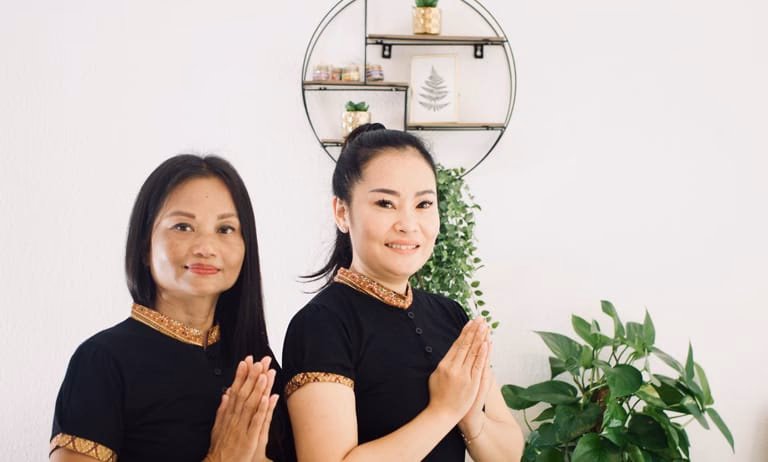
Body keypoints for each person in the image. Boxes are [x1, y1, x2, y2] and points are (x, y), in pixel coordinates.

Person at [282, 124, 524, 461]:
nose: (408, 224)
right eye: (386, 203)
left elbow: (508, 454)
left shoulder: (451, 315)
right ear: (342, 212)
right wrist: (444, 411)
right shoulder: (321, 325)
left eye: (424, 204)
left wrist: (469, 415)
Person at [50, 154, 295, 462]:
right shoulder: (101, 361)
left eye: (225, 229)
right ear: (144, 246)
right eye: (183, 226)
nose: (206, 247)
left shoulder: (256, 363)